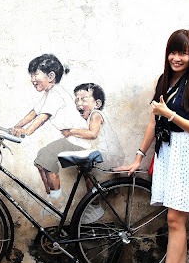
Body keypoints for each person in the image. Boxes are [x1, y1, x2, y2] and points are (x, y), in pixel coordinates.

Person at [117, 29, 189, 263]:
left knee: (174, 220)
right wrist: (138, 157)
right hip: (168, 153)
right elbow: (152, 122)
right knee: (176, 222)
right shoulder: (162, 81)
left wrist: (170, 114)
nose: (177, 58)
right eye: (173, 51)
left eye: (183, 53)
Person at [12, 54, 89, 213]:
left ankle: (57, 200)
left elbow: (42, 117)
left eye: (36, 74)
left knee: (46, 158)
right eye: (31, 75)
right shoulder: (49, 93)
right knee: (41, 161)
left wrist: (26, 131)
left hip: (78, 140)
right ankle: (53, 197)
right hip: (71, 139)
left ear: (51, 76)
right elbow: (33, 113)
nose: (33, 79)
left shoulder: (56, 93)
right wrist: (15, 127)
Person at [61, 83, 125, 223]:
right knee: (86, 169)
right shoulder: (90, 116)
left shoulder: (96, 115)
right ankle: (103, 190)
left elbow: (92, 134)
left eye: (84, 99)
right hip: (107, 153)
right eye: (76, 100)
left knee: (86, 168)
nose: (79, 103)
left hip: (111, 155)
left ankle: (95, 203)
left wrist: (71, 131)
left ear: (97, 103)